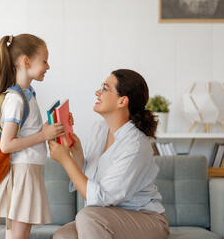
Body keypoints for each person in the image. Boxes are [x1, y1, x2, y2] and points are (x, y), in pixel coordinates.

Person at [49, 69, 170, 239]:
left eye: (105, 88)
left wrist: (65, 160)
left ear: (122, 101)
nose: (97, 92)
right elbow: (86, 179)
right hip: (107, 216)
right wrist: (75, 151)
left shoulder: (135, 145)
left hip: (147, 220)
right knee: (63, 235)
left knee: (87, 216)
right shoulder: (99, 129)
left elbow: (100, 197)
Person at [0, 34, 65, 239]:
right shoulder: (15, 99)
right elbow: (7, 145)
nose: (48, 67)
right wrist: (43, 135)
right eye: (45, 61)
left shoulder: (28, 94)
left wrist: (49, 128)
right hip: (22, 174)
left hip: (29, 172)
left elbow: (30, 131)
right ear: (26, 62)